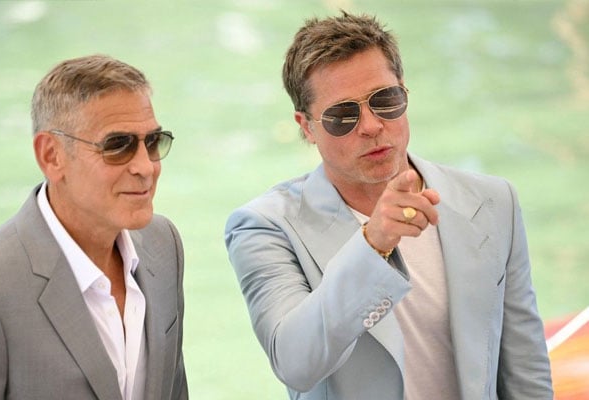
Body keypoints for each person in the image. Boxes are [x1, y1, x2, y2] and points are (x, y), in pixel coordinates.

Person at [224, 12, 553, 400]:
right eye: (343, 116)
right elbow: (296, 363)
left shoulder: (493, 202)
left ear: (404, 94)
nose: (371, 125)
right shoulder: (264, 226)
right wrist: (372, 243)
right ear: (307, 127)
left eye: (385, 100)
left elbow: (525, 369)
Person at [0, 54, 188, 400]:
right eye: (118, 146)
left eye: (153, 142)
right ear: (51, 155)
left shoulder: (163, 246)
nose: (146, 167)